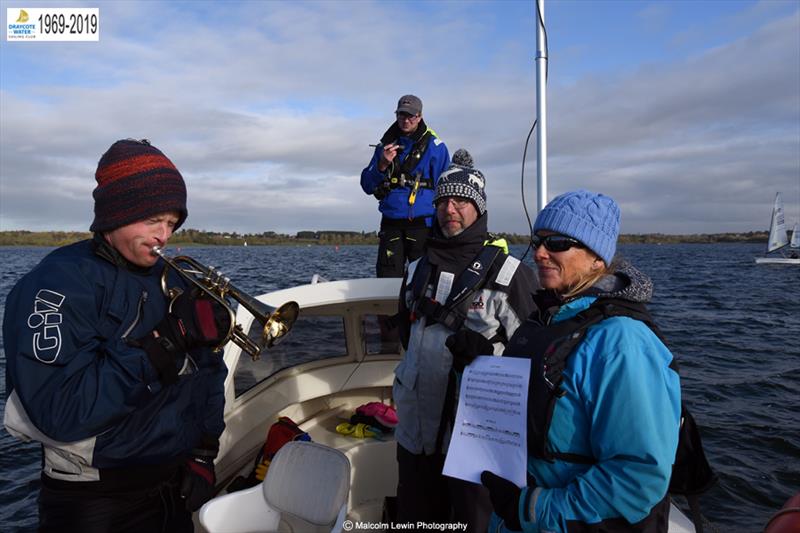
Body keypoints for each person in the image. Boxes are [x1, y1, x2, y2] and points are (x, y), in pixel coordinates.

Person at [3, 139, 230, 532]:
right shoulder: (56, 284)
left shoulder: (174, 278)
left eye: (172, 223)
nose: (164, 235)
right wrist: (166, 341)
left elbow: (208, 371)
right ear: (116, 214)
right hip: (94, 500)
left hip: (172, 482)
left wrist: (203, 451)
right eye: (153, 220)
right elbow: (61, 411)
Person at [456, 190, 681, 532]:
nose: (540, 253)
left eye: (558, 242)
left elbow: (638, 476)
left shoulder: (623, 343)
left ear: (597, 258)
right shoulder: (545, 321)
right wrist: (476, 370)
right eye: (538, 241)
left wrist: (530, 510)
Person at [392, 150, 537, 531]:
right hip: (414, 438)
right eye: (442, 200)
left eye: (460, 200)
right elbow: (407, 333)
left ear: (479, 207)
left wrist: (491, 357)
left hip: (476, 447)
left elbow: (539, 359)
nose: (449, 208)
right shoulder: (415, 268)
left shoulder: (510, 276)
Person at [361, 94, 450, 277]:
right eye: (401, 115)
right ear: (396, 115)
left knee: (423, 282)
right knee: (386, 282)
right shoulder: (384, 147)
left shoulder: (436, 147)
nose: (406, 120)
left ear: (420, 116)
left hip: (423, 226)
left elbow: (446, 190)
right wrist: (382, 165)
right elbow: (367, 185)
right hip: (390, 225)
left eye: (411, 115)